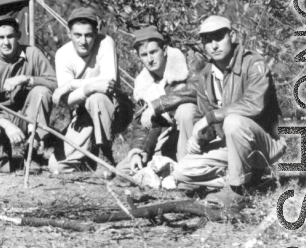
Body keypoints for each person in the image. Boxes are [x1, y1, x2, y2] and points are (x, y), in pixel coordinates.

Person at [173, 15, 286, 207]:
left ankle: (237, 191)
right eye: (207, 40)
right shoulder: (206, 75)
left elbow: (254, 104)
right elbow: (206, 122)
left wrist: (211, 117)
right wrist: (199, 137)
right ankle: (249, 179)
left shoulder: (253, 63)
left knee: (233, 121)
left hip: (265, 142)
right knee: (181, 172)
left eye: (219, 37)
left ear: (231, 36)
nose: (214, 45)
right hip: (230, 144)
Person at [0, 15, 57, 173]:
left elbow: (54, 83)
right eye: (1, 37)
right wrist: (7, 125)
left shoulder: (32, 54)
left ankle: (32, 153)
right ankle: (2, 159)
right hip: (1, 118)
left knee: (41, 92)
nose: (6, 42)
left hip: (27, 116)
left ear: (18, 36)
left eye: (10, 36)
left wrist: (27, 79)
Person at [117, 26, 197, 177]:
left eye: (153, 52)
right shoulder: (143, 84)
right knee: (124, 171)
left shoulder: (187, 63)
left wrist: (157, 105)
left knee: (185, 110)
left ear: (165, 49)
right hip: (166, 138)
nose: (150, 59)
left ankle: (188, 172)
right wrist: (137, 152)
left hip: (194, 134)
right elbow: (142, 123)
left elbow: (196, 90)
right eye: (144, 55)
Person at [51, 6, 121, 177]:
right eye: (77, 35)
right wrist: (89, 87)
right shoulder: (62, 54)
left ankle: (105, 154)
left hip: (114, 110)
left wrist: (73, 84)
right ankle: (90, 157)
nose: (83, 41)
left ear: (96, 33)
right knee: (56, 165)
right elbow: (67, 101)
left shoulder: (105, 42)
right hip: (82, 115)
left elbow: (109, 82)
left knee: (96, 98)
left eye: (88, 35)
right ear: (69, 34)